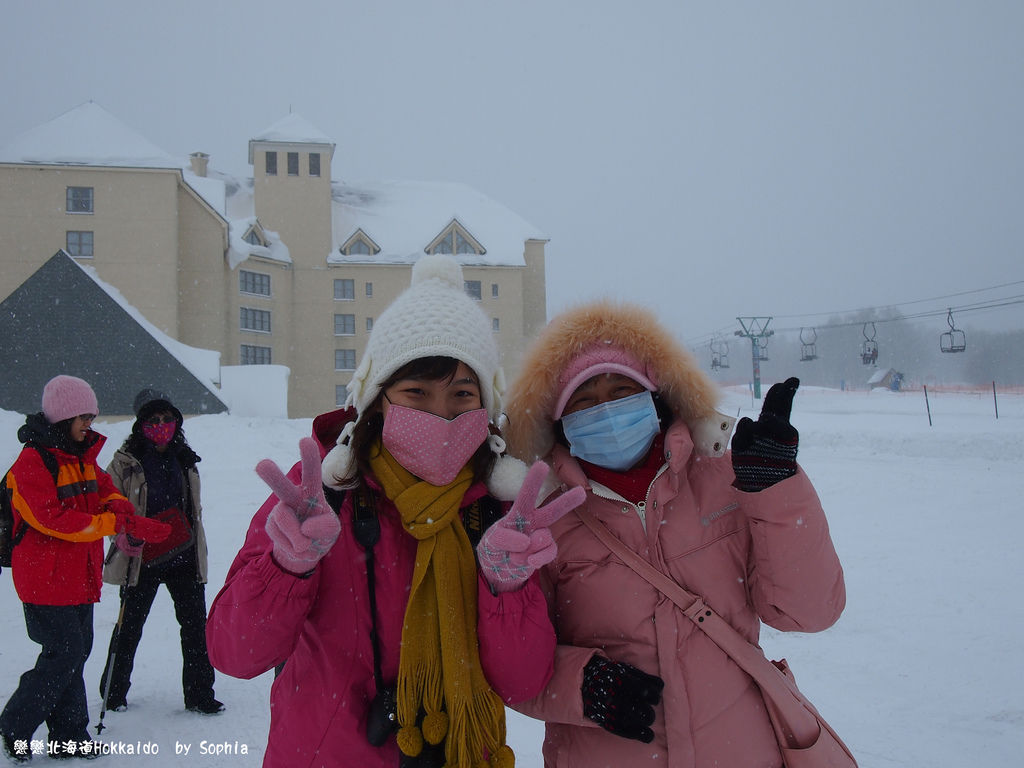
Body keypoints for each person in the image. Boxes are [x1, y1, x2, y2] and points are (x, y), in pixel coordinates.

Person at [207, 254, 584, 768]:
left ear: (484, 402)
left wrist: (507, 587)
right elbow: (236, 654)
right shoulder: (320, 498)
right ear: (376, 399)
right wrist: (286, 568)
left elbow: (522, 680)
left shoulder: (500, 515)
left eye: (461, 394)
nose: (441, 414)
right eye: (416, 392)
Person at [502, 300, 848, 768]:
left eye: (622, 391)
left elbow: (808, 612)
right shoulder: (544, 518)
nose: (606, 410)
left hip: (741, 751)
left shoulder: (727, 479)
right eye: (583, 401)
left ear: (656, 399)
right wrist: (579, 687)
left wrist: (775, 492)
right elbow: (512, 664)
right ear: (560, 423)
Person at [0, 376, 170, 762]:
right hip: (44, 581)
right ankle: (15, 726)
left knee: (75, 653)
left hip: (78, 577)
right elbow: (52, 519)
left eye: (91, 417)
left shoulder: (81, 457)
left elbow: (104, 488)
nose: (89, 424)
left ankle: (68, 737)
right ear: (63, 417)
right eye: (83, 417)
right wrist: (113, 524)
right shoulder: (31, 464)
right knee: (64, 654)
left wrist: (121, 508)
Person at [98, 389, 223, 715]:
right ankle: (113, 693)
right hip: (142, 557)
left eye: (167, 419)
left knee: (196, 627)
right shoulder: (125, 462)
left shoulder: (184, 457)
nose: (161, 425)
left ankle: (199, 695)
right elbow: (106, 506)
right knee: (129, 627)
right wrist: (122, 533)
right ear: (140, 425)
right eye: (153, 420)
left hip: (183, 554)